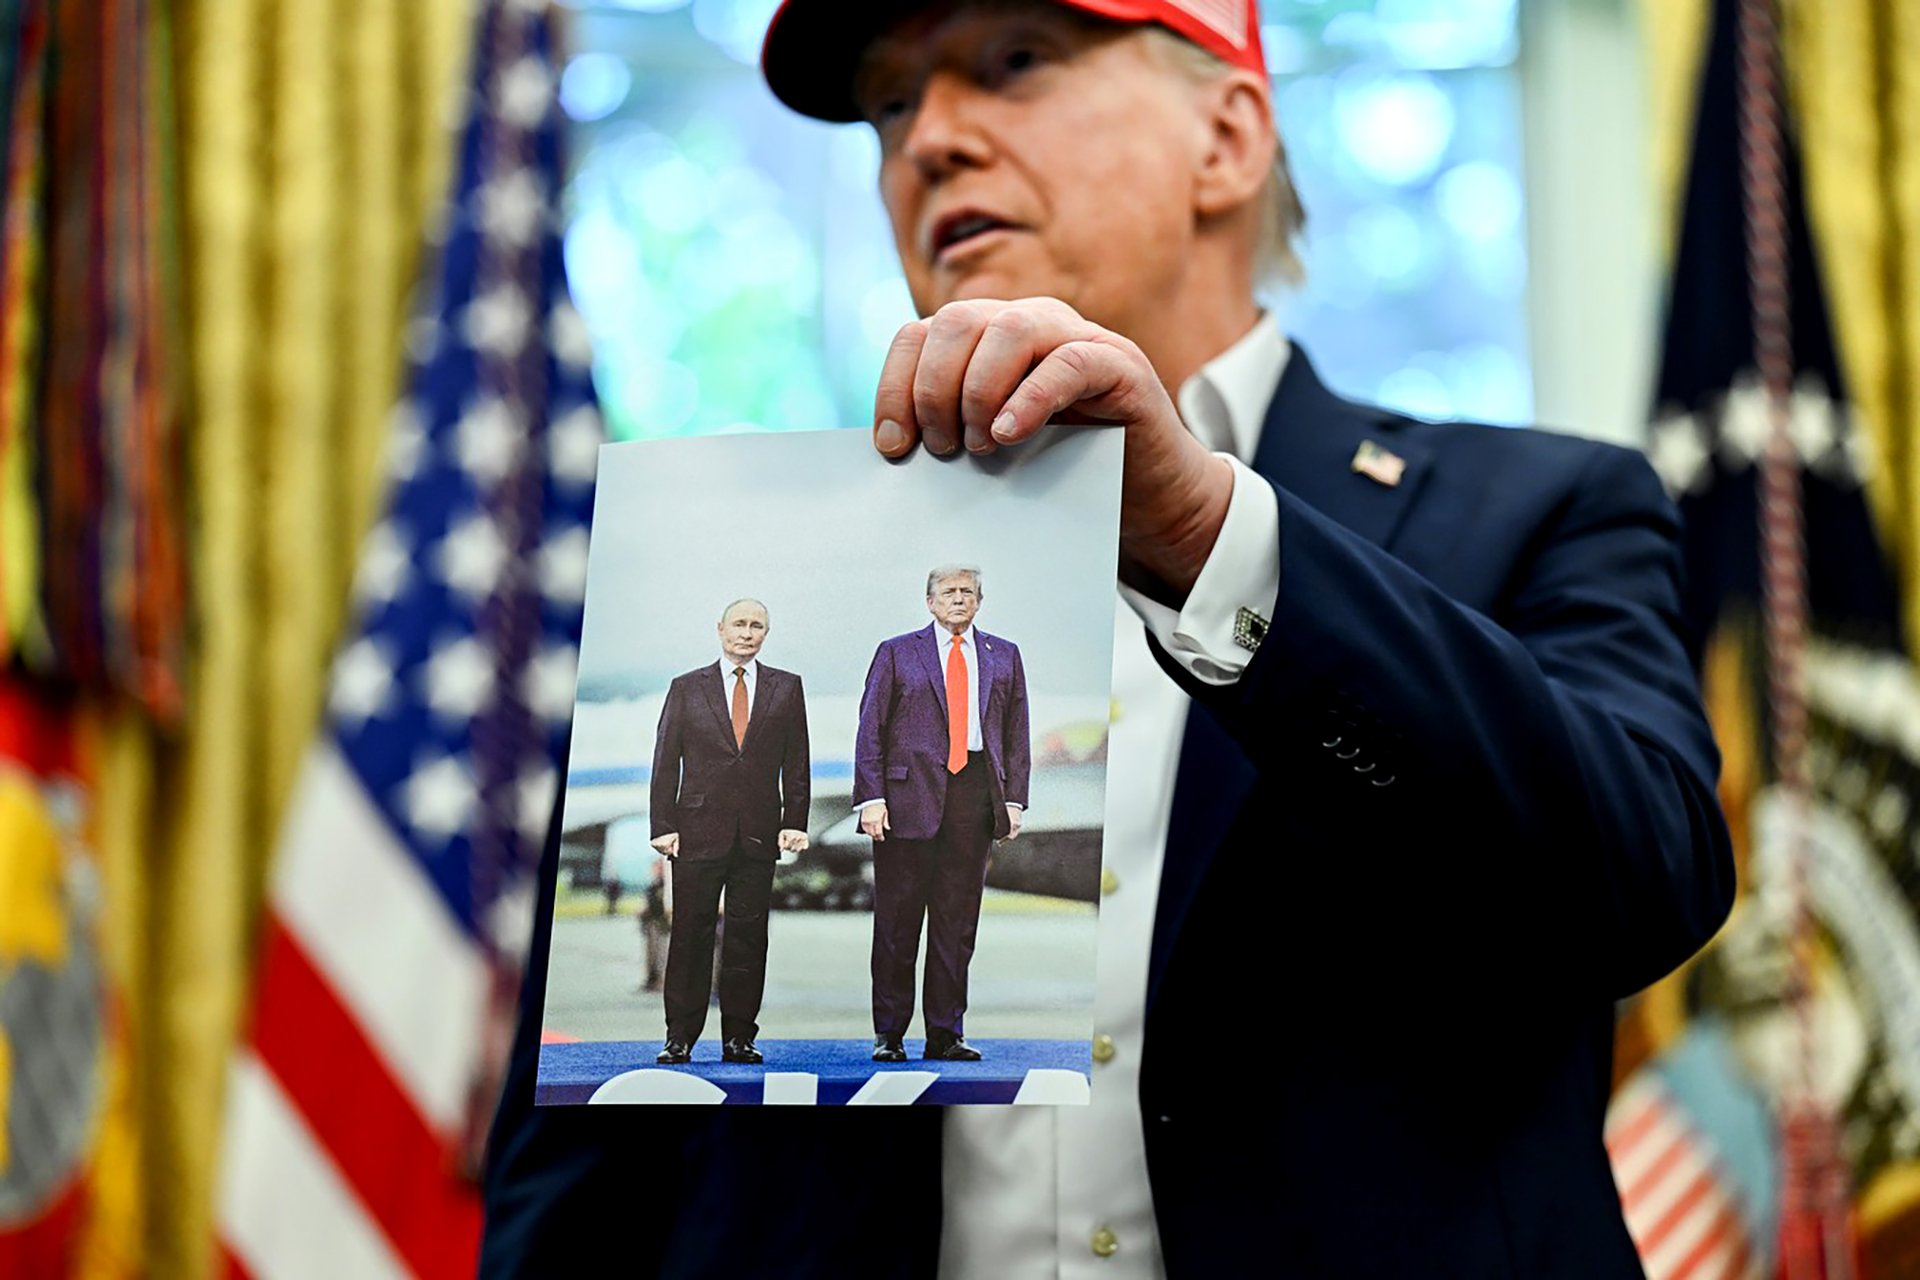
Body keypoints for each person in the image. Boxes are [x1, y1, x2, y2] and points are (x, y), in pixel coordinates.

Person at [481, 3, 1735, 1275]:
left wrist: (1204, 536)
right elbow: (590, 1157)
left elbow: (1642, 882)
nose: (931, 142)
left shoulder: (1540, 512)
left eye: (1012, 63)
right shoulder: (752, 571)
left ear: (1229, 137)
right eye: (893, 104)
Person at [856, 565, 1031, 1063]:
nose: (958, 599)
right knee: (897, 921)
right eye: (948, 592)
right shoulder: (897, 652)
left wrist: (1013, 799)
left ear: (980, 600)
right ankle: (889, 1034)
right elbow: (871, 728)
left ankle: (946, 1033)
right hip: (905, 802)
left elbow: (1016, 734)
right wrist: (871, 798)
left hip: (973, 798)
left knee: (957, 924)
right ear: (929, 602)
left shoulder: (1005, 655)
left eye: (967, 592)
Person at [647, 598, 811, 1065]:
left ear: (766, 633)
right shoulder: (686, 687)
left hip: (759, 834)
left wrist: (794, 820)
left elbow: (796, 761)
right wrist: (663, 825)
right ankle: (679, 1036)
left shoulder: (787, 688)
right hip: (696, 832)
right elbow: (665, 761)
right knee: (690, 936)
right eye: (739, 624)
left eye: (757, 625)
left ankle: (739, 1037)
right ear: (720, 630)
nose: (747, 632)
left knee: (748, 936)